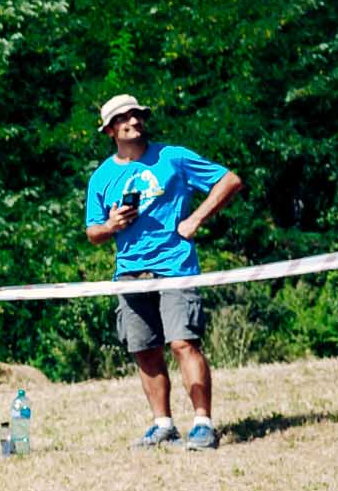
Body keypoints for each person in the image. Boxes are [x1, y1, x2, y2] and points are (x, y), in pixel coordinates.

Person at [82, 94, 242, 450]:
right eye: (123, 118)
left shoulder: (173, 157)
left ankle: (203, 424)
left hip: (175, 267)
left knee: (183, 343)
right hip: (129, 273)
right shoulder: (101, 177)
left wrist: (195, 219)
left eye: (137, 115)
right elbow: (92, 232)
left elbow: (229, 180)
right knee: (145, 350)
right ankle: (163, 425)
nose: (133, 121)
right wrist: (111, 226)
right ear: (109, 130)